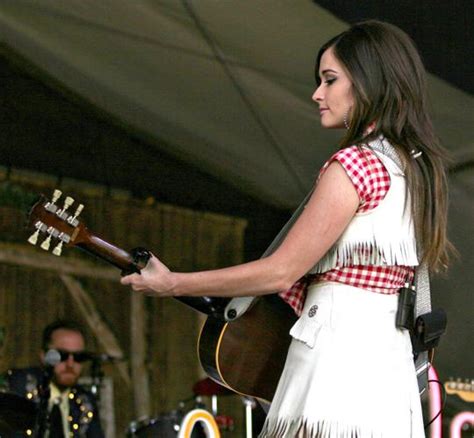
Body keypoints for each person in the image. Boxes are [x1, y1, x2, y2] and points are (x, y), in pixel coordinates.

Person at [121, 20, 452, 438]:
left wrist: (173, 282)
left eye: (330, 80)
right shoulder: (418, 172)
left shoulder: (355, 165)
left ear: (369, 84)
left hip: (333, 357)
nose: (317, 93)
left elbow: (281, 272)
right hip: (388, 367)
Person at [4, 319, 104, 437]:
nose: (70, 364)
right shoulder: (20, 385)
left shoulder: (84, 402)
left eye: (78, 357)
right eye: (62, 355)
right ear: (43, 356)